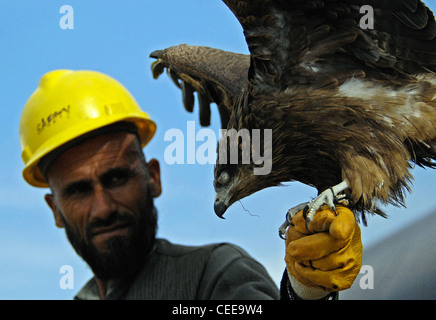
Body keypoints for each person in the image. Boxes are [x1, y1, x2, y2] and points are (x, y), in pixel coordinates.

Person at [19, 69, 362, 300]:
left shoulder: (213, 276)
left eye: (116, 178)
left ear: (153, 177)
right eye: (78, 190)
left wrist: (303, 291)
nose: (103, 207)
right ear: (55, 210)